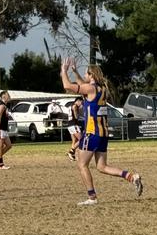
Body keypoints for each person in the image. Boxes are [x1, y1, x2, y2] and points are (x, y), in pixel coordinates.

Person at [60, 57, 143, 206]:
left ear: (91, 75)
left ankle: (92, 197)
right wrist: (75, 71)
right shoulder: (101, 89)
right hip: (103, 133)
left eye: (86, 74)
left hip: (91, 133)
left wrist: (64, 70)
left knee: (82, 165)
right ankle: (131, 176)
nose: (84, 77)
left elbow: (67, 85)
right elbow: (83, 84)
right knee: (101, 167)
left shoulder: (90, 88)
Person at [0, 90, 12, 170]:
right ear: (3, 96)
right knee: (0, 147)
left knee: (9, 145)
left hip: (4, 129)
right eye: (8, 95)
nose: (9, 96)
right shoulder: (1, 106)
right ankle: (1, 165)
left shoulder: (4, 106)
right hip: (0, 129)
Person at [66, 97, 83, 161]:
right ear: (78, 101)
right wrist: (79, 115)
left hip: (69, 125)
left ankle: (72, 156)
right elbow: (76, 116)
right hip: (74, 124)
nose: (81, 104)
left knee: (74, 141)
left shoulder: (70, 106)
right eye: (81, 102)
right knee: (81, 139)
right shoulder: (75, 106)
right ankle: (71, 151)